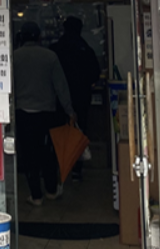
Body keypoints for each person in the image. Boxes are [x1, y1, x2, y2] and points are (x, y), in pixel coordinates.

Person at [14, 21, 76, 206]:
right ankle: (51, 190)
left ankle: (36, 196)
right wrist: (69, 110)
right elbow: (61, 87)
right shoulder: (50, 57)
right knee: (48, 153)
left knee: (29, 155)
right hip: (47, 113)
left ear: (21, 37)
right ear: (39, 37)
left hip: (22, 113)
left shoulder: (13, 57)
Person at [50, 16, 101, 181]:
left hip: (57, 99)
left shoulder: (55, 49)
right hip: (81, 98)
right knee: (78, 131)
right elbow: (95, 73)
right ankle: (76, 170)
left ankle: (58, 167)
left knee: (58, 132)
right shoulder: (85, 49)